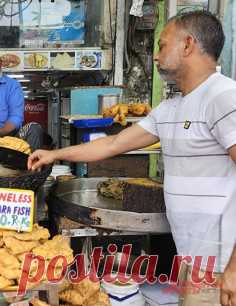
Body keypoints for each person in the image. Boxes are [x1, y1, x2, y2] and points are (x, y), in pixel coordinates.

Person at [28, 11, 236, 306]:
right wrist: (54, 154)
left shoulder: (223, 97)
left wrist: (234, 268)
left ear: (188, 45)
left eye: (162, 45)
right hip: (193, 257)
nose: (154, 56)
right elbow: (112, 144)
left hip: (222, 262)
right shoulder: (172, 108)